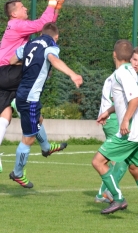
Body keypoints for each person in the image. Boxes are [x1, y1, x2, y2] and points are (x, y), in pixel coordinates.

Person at [8, 22, 83, 188]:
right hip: (30, 98)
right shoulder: (50, 45)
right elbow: (52, 59)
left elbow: (13, 59)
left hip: (23, 94)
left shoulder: (30, 43)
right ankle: (18, 173)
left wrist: (30, 64)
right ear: (56, 37)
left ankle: (47, 147)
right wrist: (72, 74)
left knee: (39, 119)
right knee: (28, 138)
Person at [0, 0, 65, 173]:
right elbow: (42, 25)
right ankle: (43, 148)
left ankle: (45, 146)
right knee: (31, 103)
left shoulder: (17, 26)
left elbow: (46, 29)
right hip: (9, 72)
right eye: (22, 7)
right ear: (14, 13)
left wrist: (57, 8)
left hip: (7, 73)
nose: (25, 8)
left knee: (9, 114)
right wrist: (51, 2)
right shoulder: (17, 24)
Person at [92, 39, 138, 217]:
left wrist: (125, 121)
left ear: (114, 54)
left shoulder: (122, 72)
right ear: (130, 58)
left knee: (98, 162)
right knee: (135, 169)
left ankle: (117, 198)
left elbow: (135, 97)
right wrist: (109, 111)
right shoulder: (130, 72)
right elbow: (124, 99)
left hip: (130, 131)